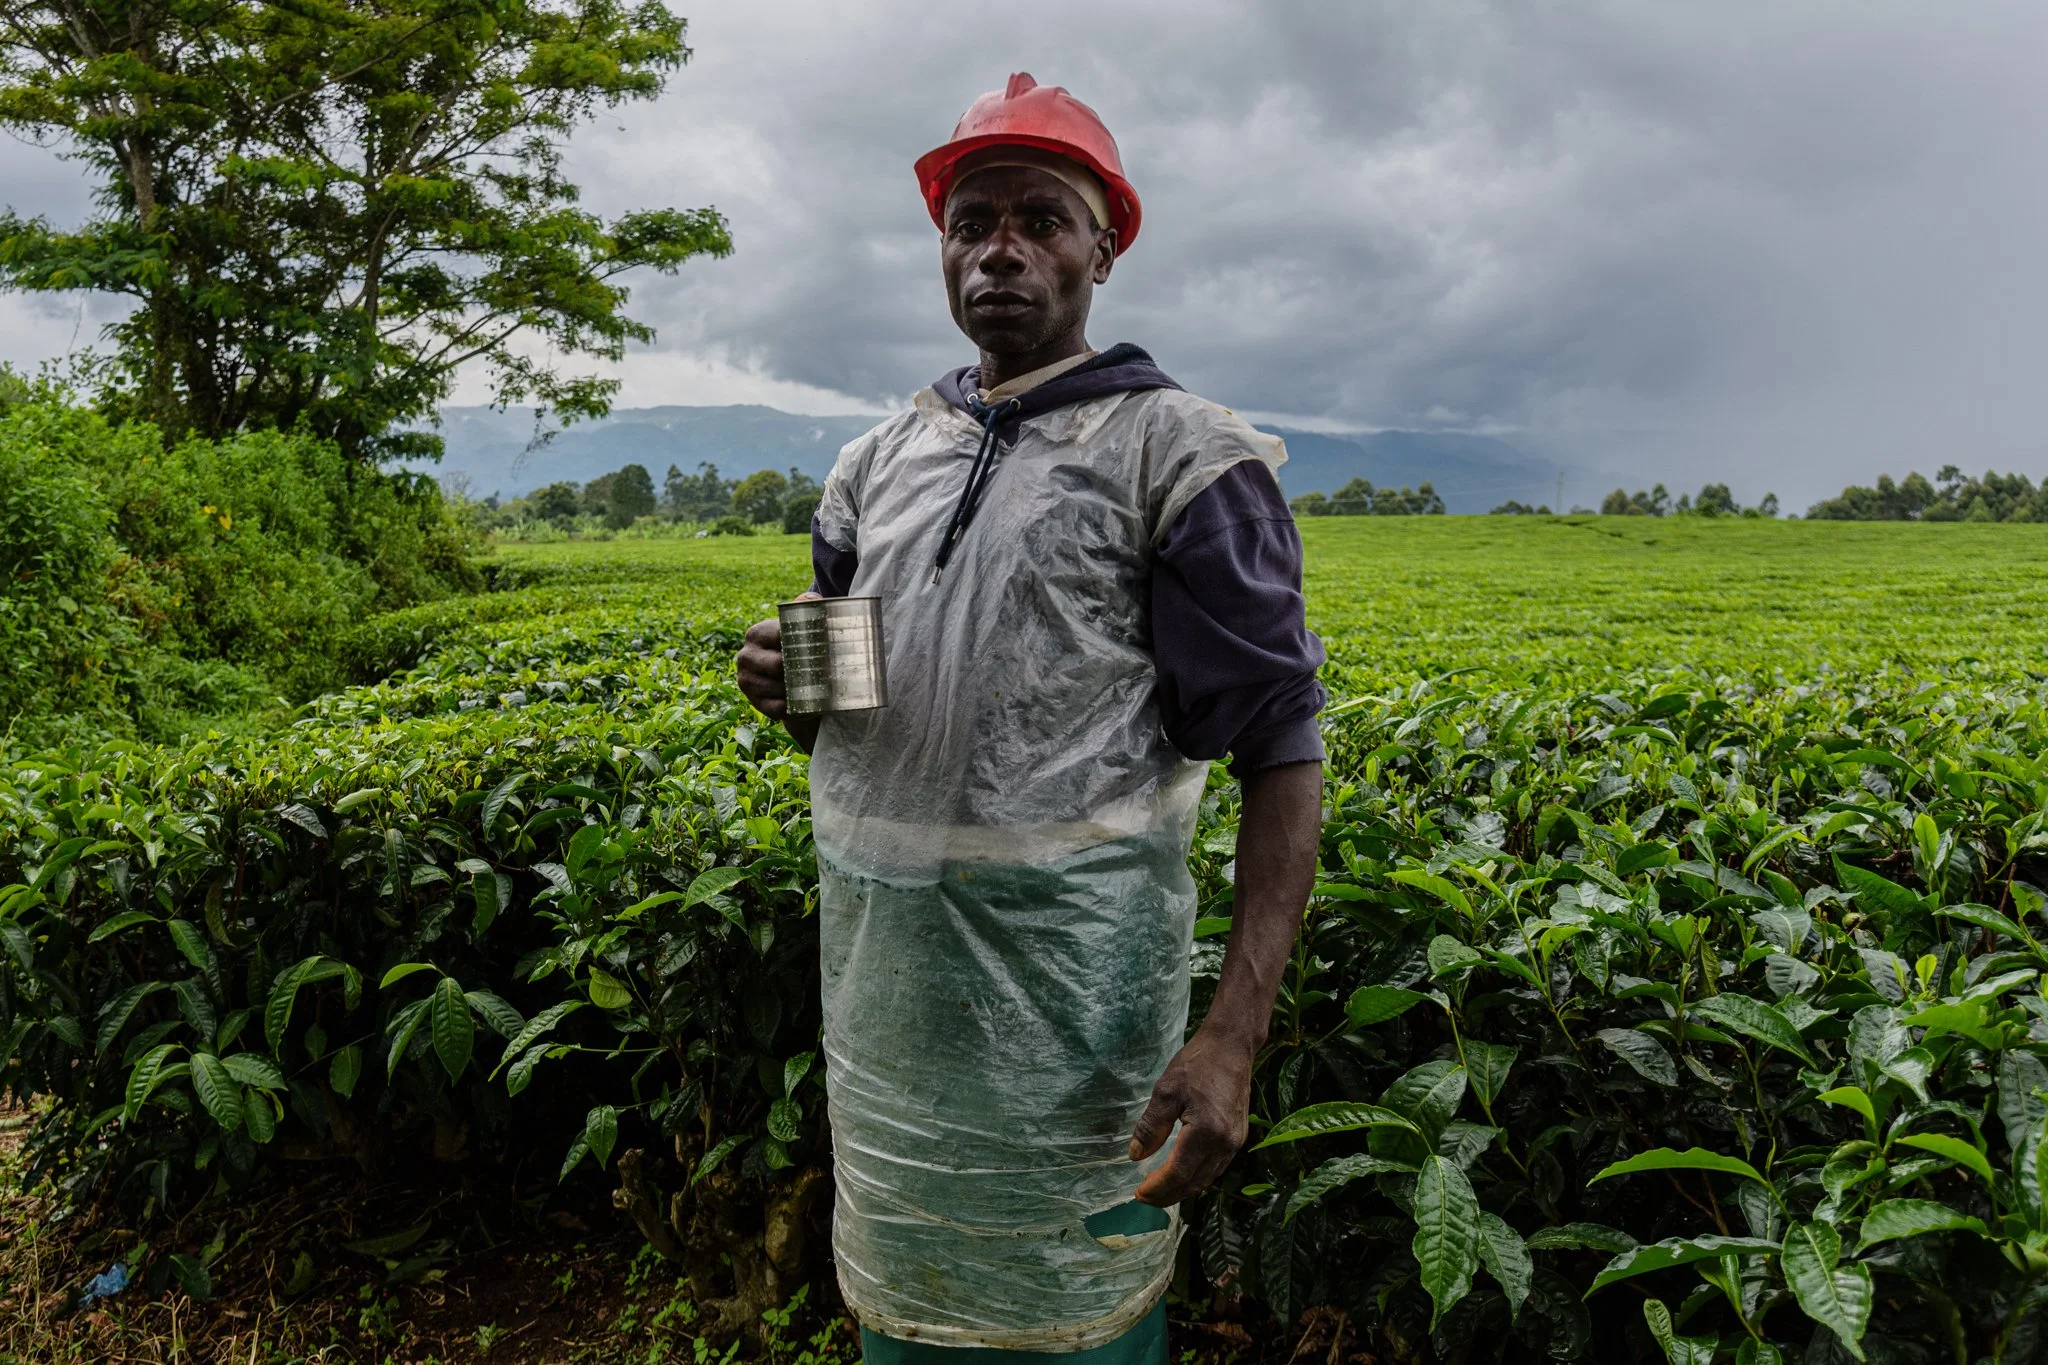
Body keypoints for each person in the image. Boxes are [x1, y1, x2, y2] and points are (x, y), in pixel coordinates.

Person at [736, 73, 1325, 1364]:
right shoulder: (877, 461)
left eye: (1041, 219)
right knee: (907, 1306)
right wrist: (788, 689)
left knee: (1076, 1318)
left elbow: (1282, 745)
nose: (1001, 247)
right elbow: (868, 720)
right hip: (889, 1009)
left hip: (1078, 1024)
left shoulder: (1180, 455)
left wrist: (1232, 1036)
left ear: (1102, 246)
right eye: (973, 220)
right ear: (943, 249)